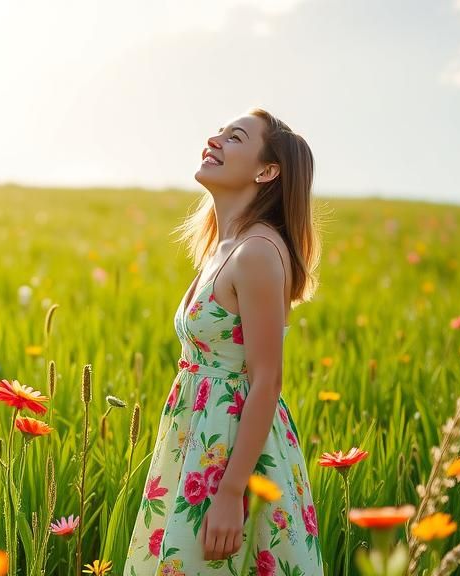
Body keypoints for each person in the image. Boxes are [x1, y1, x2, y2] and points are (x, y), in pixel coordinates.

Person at [123, 107, 324, 575]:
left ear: (266, 170)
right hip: (198, 437)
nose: (214, 140)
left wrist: (232, 493)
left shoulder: (256, 252)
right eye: (218, 132)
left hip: (231, 450)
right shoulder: (223, 246)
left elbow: (267, 380)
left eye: (233, 137)